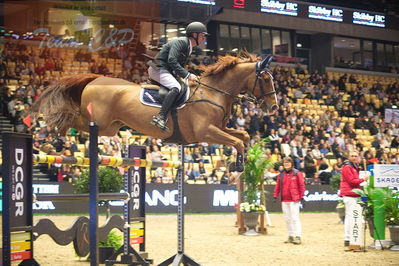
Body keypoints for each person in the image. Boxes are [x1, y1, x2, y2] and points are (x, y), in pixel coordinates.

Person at [148, 21, 208, 131]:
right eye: (202, 35)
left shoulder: (188, 47)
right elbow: (172, 60)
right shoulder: (181, 42)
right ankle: (160, 117)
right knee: (176, 87)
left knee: (183, 86)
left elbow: (178, 65)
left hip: (166, 71)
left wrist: (187, 76)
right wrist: (187, 75)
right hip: (159, 69)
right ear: (194, 35)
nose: (204, 38)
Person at [273, 157, 305, 245]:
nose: (286, 164)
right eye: (285, 163)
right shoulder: (281, 174)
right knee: (287, 219)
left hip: (294, 199)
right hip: (284, 199)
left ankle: (298, 236)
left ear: (291, 164)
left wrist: (302, 196)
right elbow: (278, 186)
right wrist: (275, 195)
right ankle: (290, 236)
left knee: (295, 218)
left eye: (288, 162)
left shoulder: (297, 173)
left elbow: (301, 185)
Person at [339, 150, 368, 248]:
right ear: (348, 157)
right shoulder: (347, 167)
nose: (354, 157)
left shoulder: (354, 167)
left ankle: (349, 238)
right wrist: (363, 179)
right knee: (350, 216)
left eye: (356, 156)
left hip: (353, 194)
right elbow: (352, 181)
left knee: (351, 216)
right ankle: (348, 238)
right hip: (349, 194)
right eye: (352, 155)